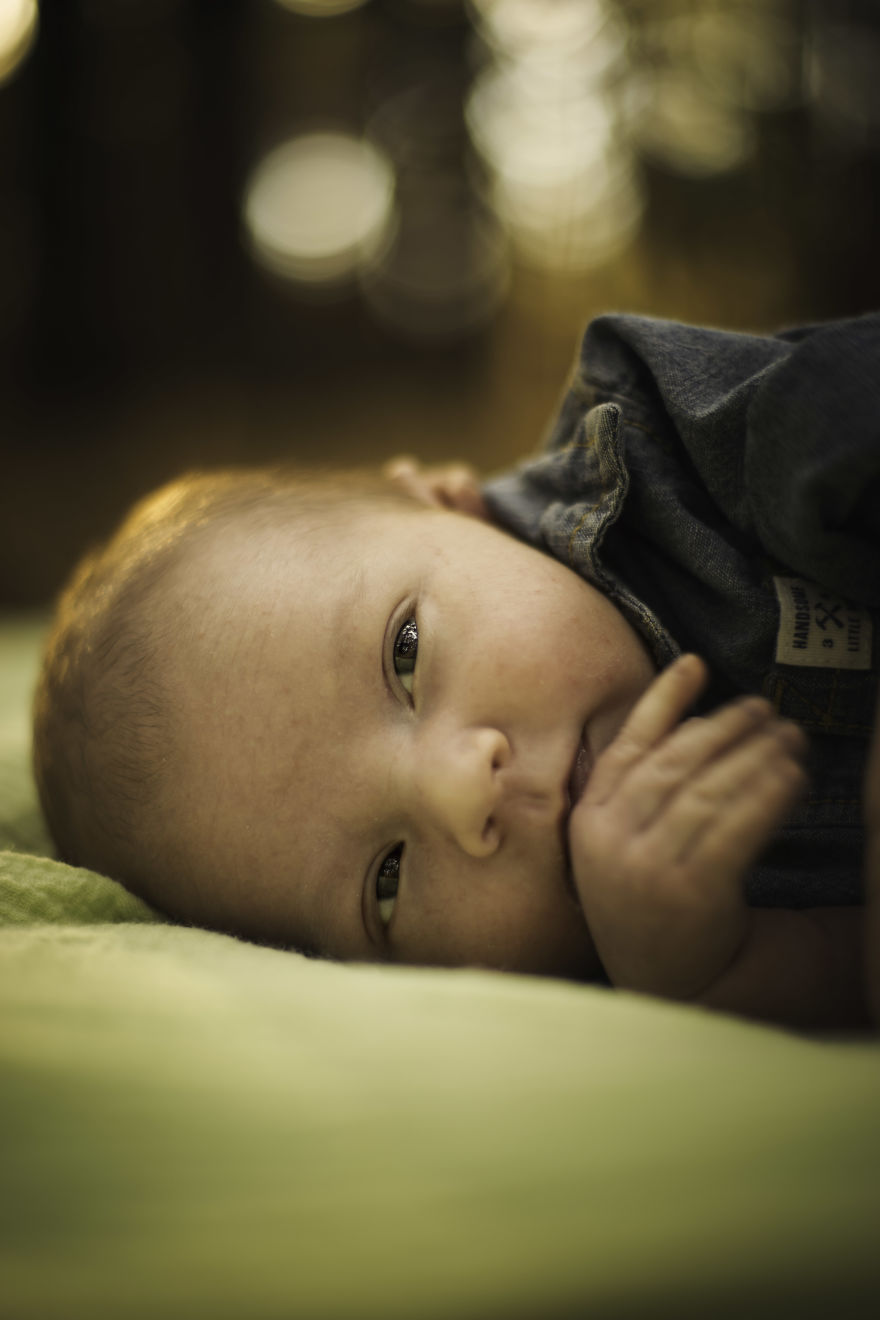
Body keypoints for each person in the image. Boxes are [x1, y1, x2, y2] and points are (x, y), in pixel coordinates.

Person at [32, 312, 880, 1032]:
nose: (461, 788)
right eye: (387, 883)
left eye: (405, 655)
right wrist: (719, 970)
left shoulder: (679, 453)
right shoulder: (651, 956)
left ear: (446, 500)